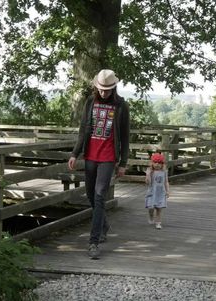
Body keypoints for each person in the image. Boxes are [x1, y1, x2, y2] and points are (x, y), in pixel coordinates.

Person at [68, 69, 130, 259]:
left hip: (108, 157)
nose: (104, 93)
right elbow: (82, 131)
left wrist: (123, 163)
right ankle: (103, 224)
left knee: (99, 195)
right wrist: (74, 153)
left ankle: (94, 242)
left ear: (113, 88)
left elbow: (125, 137)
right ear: (96, 87)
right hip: (90, 156)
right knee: (90, 194)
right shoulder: (90, 102)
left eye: (107, 89)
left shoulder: (121, 106)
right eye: (101, 89)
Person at [144, 153, 170, 230]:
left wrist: (168, 191)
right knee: (151, 208)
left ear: (162, 164)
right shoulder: (150, 171)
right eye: (155, 162)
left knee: (159, 209)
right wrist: (148, 175)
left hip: (161, 193)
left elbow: (166, 182)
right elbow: (147, 182)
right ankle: (151, 215)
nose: (157, 164)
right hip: (152, 192)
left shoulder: (164, 172)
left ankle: (158, 223)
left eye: (159, 163)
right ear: (152, 163)